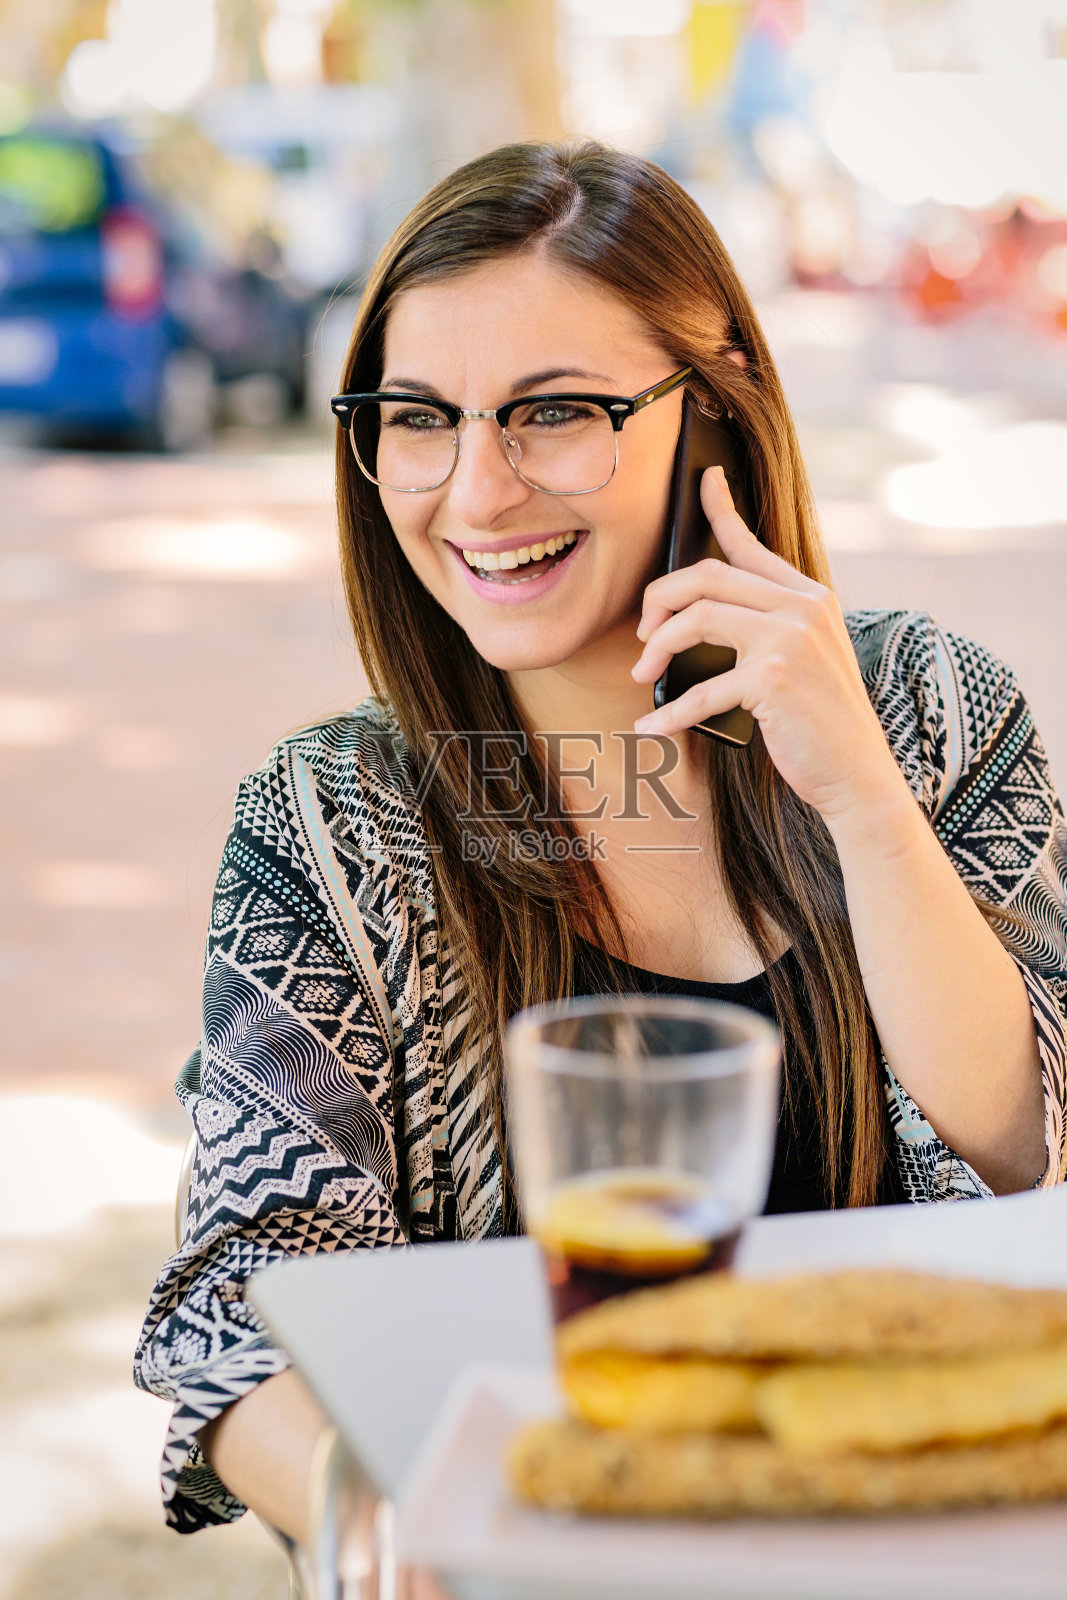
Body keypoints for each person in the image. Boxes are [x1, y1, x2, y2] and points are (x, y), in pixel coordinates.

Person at [135, 141, 1067, 1548]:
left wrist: (866, 804)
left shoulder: (933, 713)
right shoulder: (334, 819)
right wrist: (402, 1537)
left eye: (554, 411)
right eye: (420, 416)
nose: (478, 492)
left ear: (714, 411)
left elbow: (1030, 1154)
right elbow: (239, 1302)